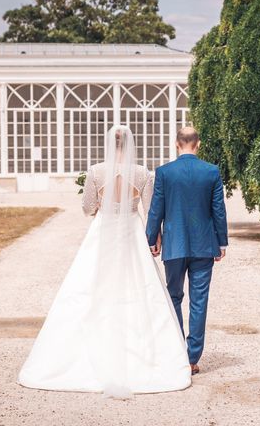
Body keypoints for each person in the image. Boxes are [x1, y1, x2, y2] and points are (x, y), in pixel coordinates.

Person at [18, 125, 191, 397]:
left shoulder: (96, 172)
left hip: (103, 231)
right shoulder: (143, 173)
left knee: (90, 286)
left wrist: (102, 202)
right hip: (132, 231)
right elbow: (149, 207)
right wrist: (154, 237)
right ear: (131, 143)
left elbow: (87, 208)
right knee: (139, 288)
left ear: (110, 143)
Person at [146, 126, 228, 376]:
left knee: (173, 297)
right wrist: (221, 241)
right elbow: (219, 210)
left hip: (175, 244)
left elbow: (155, 209)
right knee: (199, 301)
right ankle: (192, 358)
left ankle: (177, 352)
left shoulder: (164, 173)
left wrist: (151, 238)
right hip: (204, 245)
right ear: (198, 144)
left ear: (176, 144)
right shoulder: (211, 172)